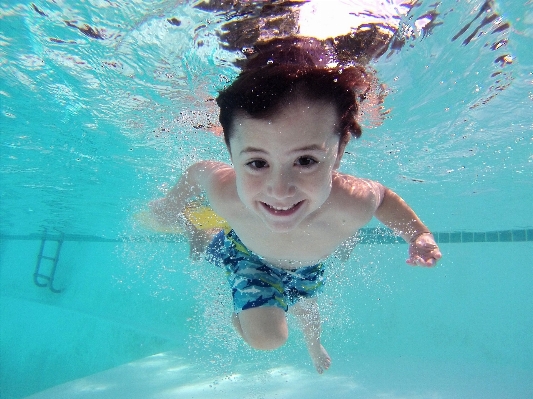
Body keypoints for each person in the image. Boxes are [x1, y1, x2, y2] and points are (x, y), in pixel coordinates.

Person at [146, 39, 442, 374]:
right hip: (248, 257)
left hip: (307, 265)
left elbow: (384, 199)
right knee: (267, 338)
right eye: (257, 163)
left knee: (306, 307)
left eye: (305, 160)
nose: (280, 190)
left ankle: (314, 345)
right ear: (231, 156)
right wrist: (173, 203)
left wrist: (418, 234)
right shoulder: (227, 193)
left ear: (339, 152)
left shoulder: (352, 199)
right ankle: (205, 239)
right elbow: (199, 171)